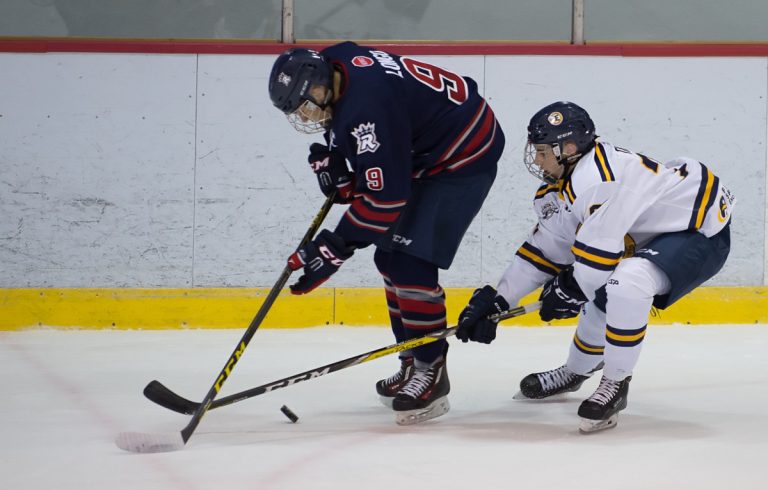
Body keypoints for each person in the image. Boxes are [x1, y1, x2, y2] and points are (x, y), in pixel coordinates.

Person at [456, 101, 734, 433]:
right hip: (647, 232)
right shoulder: (559, 189)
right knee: (602, 292)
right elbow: (542, 253)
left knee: (625, 283)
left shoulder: (598, 179)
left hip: (697, 230)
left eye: (543, 151)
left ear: (570, 148)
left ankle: (616, 383)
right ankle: (576, 371)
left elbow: (594, 266)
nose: (537, 159)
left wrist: (567, 291)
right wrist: (499, 300)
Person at [267, 42, 505, 425]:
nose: (308, 114)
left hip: (463, 153)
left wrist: (336, 246)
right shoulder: (336, 63)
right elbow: (369, 144)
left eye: (307, 104)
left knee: (410, 264)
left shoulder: (368, 108)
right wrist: (342, 164)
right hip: (428, 141)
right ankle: (412, 357)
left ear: (318, 84)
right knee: (387, 257)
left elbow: (386, 199)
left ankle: (431, 369)